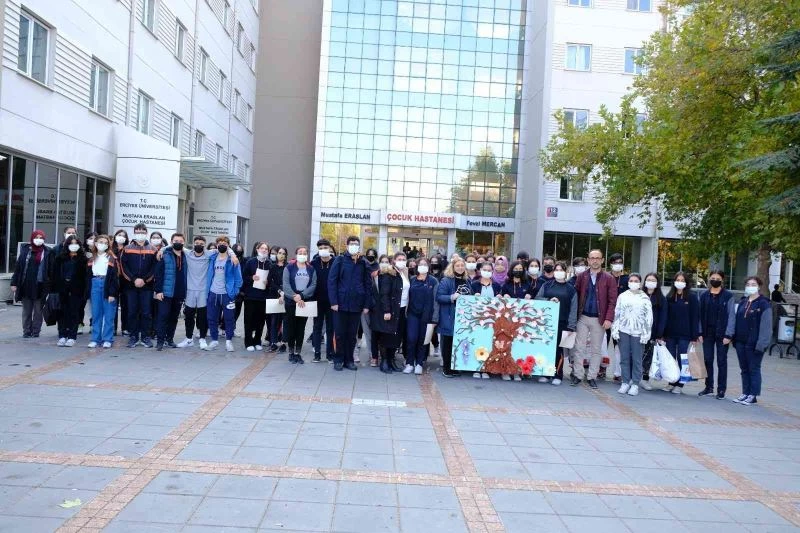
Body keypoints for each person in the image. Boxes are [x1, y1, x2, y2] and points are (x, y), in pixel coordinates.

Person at [572, 249, 618, 389]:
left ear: (602, 260)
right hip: (582, 317)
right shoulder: (582, 276)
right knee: (579, 348)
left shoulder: (609, 278)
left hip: (599, 319)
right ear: (588, 260)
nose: (595, 260)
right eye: (592, 258)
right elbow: (576, 296)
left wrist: (609, 318)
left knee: (596, 349)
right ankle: (578, 375)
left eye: (598, 258)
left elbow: (612, 301)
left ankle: (592, 376)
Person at [328, 236, 373, 371]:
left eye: (356, 244)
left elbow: (368, 285)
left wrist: (366, 304)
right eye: (351, 244)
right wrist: (334, 301)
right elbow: (332, 281)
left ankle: (349, 360)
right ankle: (338, 359)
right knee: (339, 333)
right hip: (340, 304)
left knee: (352, 335)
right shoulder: (340, 260)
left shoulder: (363, 263)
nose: (354, 246)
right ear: (347, 246)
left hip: (356, 304)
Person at [725, 276, 772, 405]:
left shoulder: (764, 303)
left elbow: (766, 326)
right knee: (744, 369)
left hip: (755, 343)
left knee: (754, 369)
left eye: (753, 284)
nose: (750, 286)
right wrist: (733, 338)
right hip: (741, 342)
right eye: (748, 284)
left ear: (759, 286)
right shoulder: (743, 302)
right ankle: (745, 392)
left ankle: (753, 395)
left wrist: (762, 344)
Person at [610, 273, 652, 396]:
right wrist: (615, 329)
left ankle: (635, 384)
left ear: (640, 283)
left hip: (638, 333)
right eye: (631, 280)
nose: (633, 283)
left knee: (637, 359)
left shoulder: (644, 298)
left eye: (636, 281)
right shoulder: (622, 296)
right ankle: (625, 381)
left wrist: (646, 333)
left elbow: (649, 317)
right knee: (624, 358)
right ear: (628, 282)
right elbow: (617, 313)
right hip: (623, 331)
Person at [537, 261, 578, 386]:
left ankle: (557, 374)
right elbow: (537, 299)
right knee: (546, 348)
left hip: (563, 323)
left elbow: (574, 308)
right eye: (557, 270)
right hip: (547, 322)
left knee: (559, 350)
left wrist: (571, 326)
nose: (559, 272)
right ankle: (545, 373)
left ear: (565, 272)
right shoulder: (546, 285)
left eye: (561, 270)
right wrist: (549, 300)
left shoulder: (571, 289)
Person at [698, 270, 735, 399]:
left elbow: (731, 316)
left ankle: (721, 389)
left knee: (721, 361)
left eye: (718, 278)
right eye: (713, 278)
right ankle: (708, 387)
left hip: (722, 334)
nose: (715, 280)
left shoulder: (728, 296)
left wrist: (729, 335)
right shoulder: (703, 295)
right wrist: (699, 332)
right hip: (707, 333)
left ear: (722, 280)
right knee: (708, 359)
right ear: (709, 279)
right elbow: (699, 315)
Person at [662, 272, 700, 394]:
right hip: (670, 334)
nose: (680, 282)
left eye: (682, 280)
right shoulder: (669, 296)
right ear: (674, 282)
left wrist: (694, 336)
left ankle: (680, 384)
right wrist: (662, 333)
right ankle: (671, 382)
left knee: (682, 358)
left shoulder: (692, 297)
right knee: (671, 359)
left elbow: (695, 317)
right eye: (678, 280)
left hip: (685, 334)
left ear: (686, 283)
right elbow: (665, 316)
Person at [120, 223, 157, 348]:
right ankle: (133, 336)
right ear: (134, 233)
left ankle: (146, 337)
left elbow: (155, 267)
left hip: (147, 286)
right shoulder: (127, 248)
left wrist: (145, 280)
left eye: (142, 231)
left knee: (146, 312)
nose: (140, 234)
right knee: (132, 312)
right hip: (131, 286)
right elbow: (123, 267)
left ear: (146, 233)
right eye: (138, 231)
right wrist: (134, 279)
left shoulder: (153, 249)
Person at [11, 230, 52, 338]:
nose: (39, 239)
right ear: (32, 238)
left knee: (38, 311)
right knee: (27, 311)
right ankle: (26, 331)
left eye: (41, 238)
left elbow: (51, 269)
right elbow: (18, 268)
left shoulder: (47, 251)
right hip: (26, 285)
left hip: (40, 286)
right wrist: (14, 283)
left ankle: (36, 331)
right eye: (37, 237)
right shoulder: (26, 250)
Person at [206, 236, 243, 352]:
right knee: (212, 318)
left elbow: (238, 278)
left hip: (227, 294)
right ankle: (214, 340)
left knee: (229, 318)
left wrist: (235, 292)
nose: (222, 244)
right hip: (213, 293)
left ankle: (228, 341)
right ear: (217, 245)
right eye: (220, 242)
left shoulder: (232, 259)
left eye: (225, 243)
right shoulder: (212, 257)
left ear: (228, 245)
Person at [436, 256, 472, 377]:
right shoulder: (446, 280)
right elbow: (439, 297)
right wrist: (451, 297)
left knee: (458, 343)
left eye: (462, 265)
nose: (460, 268)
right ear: (452, 267)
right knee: (448, 343)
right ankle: (446, 368)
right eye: (457, 266)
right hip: (449, 316)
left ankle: (455, 367)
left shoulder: (467, 281)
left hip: (463, 318)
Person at [404, 257, 439, 375]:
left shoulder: (433, 281)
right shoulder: (412, 279)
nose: (423, 266)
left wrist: (435, 319)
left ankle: (419, 363)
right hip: (412, 313)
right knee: (411, 338)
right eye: (421, 264)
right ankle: (409, 363)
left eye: (425, 264)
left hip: (427, 315)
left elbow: (436, 301)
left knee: (423, 339)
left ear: (428, 267)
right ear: (417, 266)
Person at [282, 246, 317, 364]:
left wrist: (301, 296)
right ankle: (291, 352)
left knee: (301, 328)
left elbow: (313, 285)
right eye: (300, 252)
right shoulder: (289, 268)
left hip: (304, 302)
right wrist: (295, 297)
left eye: (305, 252)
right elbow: (286, 285)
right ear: (296, 254)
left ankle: (298, 353)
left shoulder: (311, 269)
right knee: (291, 327)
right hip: (291, 302)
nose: (302, 254)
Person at [153, 233, 187, 351]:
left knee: (174, 318)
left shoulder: (186, 255)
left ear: (183, 242)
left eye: (180, 241)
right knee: (163, 316)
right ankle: (160, 341)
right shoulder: (165, 254)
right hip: (166, 292)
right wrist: (158, 290)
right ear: (171, 242)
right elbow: (158, 274)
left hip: (179, 292)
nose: (178, 243)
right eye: (176, 241)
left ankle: (170, 339)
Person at [52, 235, 87, 347]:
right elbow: (54, 274)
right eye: (71, 243)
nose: (73, 245)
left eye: (76, 243)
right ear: (67, 245)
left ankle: (72, 336)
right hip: (62, 289)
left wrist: (84, 291)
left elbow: (85, 277)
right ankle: (62, 335)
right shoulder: (60, 258)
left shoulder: (83, 259)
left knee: (74, 313)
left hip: (77, 290)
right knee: (62, 313)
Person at [86, 235, 120, 349]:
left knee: (109, 314)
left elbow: (115, 277)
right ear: (95, 243)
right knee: (96, 313)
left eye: (105, 243)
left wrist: (112, 293)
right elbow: (88, 275)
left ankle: (107, 339)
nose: (103, 244)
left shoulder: (112, 258)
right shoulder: (91, 258)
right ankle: (95, 339)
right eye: (100, 242)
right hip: (95, 283)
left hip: (107, 284)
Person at [371, 255, 403, 374]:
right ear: (393, 261)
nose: (401, 261)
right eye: (399, 259)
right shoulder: (388, 273)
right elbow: (384, 294)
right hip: (390, 309)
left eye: (403, 259)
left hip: (402, 309)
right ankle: (384, 361)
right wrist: (387, 310)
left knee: (395, 337)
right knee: (386, 336)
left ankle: (391, 360)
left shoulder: (405, 273)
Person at [177, 235, 210, 350]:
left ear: (204, 245)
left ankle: (202, 339)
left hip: (203, 291)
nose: (199, 245)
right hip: (190, 290)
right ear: (193, 244)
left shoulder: (209, 254)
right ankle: (188, 339)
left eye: (201, 244)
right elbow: (171, 246)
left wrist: (233, 255)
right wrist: (161, 250)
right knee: (189, 315)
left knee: (202, 316)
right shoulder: (188, 253)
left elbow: (226, 248)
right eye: (197, 243)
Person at [470, 262, 502, 380]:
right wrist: (474, 296)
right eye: (485, 269)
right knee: (477, 342)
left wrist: (500, 298)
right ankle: (476, 368)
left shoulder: (497, 286)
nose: (487, 272)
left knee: (489, 343)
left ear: (492, 272)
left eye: (489, 270)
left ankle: (486, 368)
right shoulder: (474, 284)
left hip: (492, 320)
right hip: (477, 319)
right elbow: (468, 299)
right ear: (480, 270)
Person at [640, 273, 668, 391]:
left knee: (648, 356)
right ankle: (633, 377)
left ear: (657, 283)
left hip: (652, 332)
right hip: (638, 330)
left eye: (653, 280)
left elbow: (663, 317)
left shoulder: (661, 299)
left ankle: (645, 379)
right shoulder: (640, 295)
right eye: (648, 280)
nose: (650, 282)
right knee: (636, 355)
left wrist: (659, 334)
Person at [242, 241, 271, 352]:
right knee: (249, 320)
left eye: (266, 249)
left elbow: (272, 279)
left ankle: (257, 341)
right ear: (257, 250)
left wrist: (268, 282)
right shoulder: (250, 262)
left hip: (263, 297)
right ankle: (248, 342)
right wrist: (251, 278)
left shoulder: (269, 263)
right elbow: (244, 277)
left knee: (261, 321)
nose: (264, 250)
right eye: (262, 248)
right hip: (250, 296)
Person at [311, 239, 335, 363]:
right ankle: (317, 353)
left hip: (332, 301)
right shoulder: (314, 263)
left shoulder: (336, 262)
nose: (323, 250)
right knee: (317, 327)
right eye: (320, 248)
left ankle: (330, 354)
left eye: (325, 247)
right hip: (317, 300)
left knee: (331, 328)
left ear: (330, 248)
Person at [355, 248, 379, 364]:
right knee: (353, 331)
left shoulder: (375, 267)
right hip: (354, 303)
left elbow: (370, 288)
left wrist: (367, 305)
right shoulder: (356, 266)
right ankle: (354, 353)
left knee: (368, 330)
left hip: (367, 304)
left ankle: (372, 354)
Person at [266, 246, 288, 352]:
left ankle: (284, 343)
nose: (281, 255)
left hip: (287, 295)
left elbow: (289, 282)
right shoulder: (272, 267)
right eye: (279, 253)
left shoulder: (288, 267)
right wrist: (279, 291)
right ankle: (273, 342)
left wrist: (284, 293)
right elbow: (270, 281)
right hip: (274, 295)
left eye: (283, 253)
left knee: (285, 320)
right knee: (274, 320)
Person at [77, 232, 97, 335]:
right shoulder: (81, 251)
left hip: (93, 281)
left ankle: (93, 324)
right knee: (80, 305)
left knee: (93, 305)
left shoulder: (99, 252)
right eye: (90, 238)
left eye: (94, 238)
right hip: (81, 282)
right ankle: (79, 324)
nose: (92, 240)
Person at [112, 229, 130, 336]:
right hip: (113, 280)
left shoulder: (128, 249)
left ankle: (125, 328)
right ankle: (113, 328)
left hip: (126, 280)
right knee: (113, 305)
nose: (121, 237)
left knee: (125, 305)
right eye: (119, 235)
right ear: (115, 236)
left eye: (123, 235)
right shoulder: (110, 249)